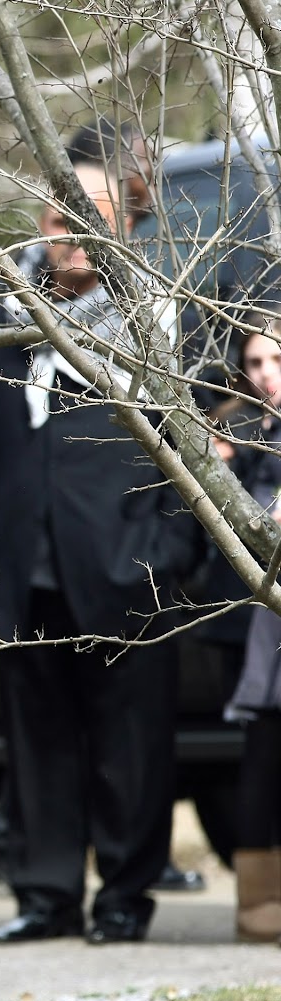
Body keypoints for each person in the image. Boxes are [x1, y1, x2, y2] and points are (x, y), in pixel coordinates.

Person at [0, 162, 203, 946]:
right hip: (24, 574)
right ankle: (47, 895)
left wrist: (167, 553)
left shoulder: (155, 319)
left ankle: (124, 896)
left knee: (130, 748)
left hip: (127, 569)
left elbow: (189, 453)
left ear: (124, 223)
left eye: (91, 215)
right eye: (59, 216)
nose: (71, 233)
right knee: (37, 745)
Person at [217, 304, 281, 944]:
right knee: (261, 757)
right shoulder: (240, 437)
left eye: (277, 360)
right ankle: (258, 906)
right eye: (255, 361)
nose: (265, 374)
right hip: (264, 632)